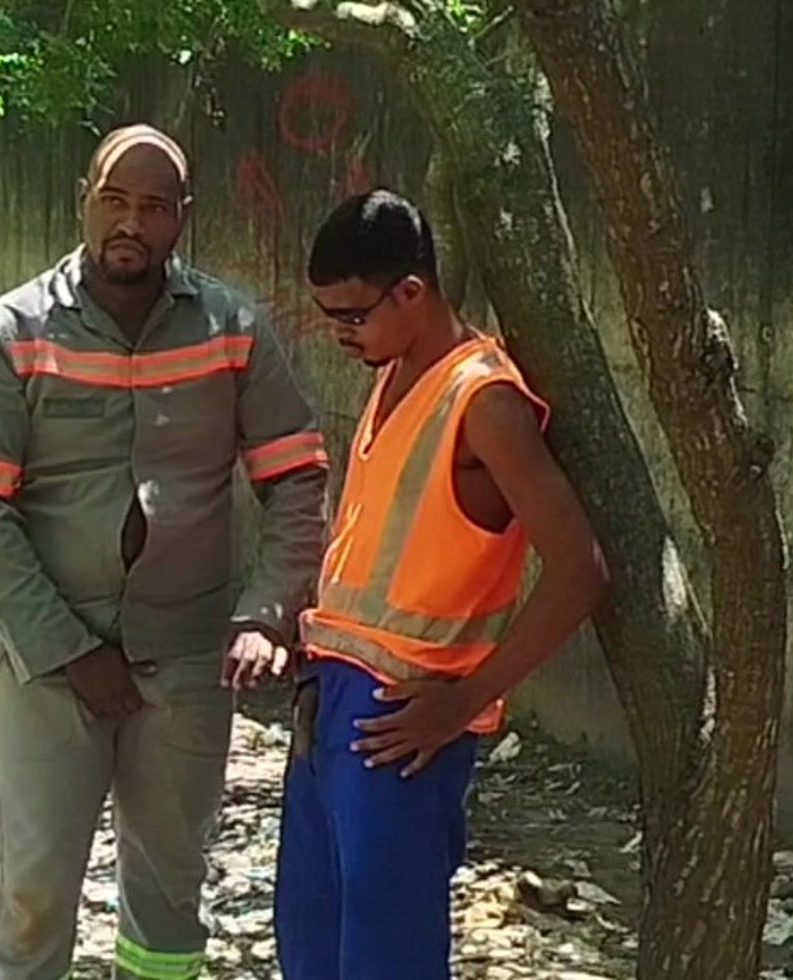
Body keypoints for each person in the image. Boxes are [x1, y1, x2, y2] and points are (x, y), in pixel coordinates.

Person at [0, 123, 328, 980]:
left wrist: (267, 610)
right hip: (47, 667)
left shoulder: (232, 329)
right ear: (84, 199)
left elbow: (297, 477)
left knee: (169, 892)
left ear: (181, 218)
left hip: (187, 663)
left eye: (154, 207)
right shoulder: (13, 331)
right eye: (115, 201)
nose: (132, 222)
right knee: (33, 890)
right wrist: (68, 649)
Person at [273, 188, 609, 980]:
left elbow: (581, 572)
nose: (341, 335)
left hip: (406, 718)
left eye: (352, 316)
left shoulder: (484, 401)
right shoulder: (392, 376)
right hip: (332, 700)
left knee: (386, 956)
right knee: (312, 942)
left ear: (412, 293)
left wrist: (463, 702)